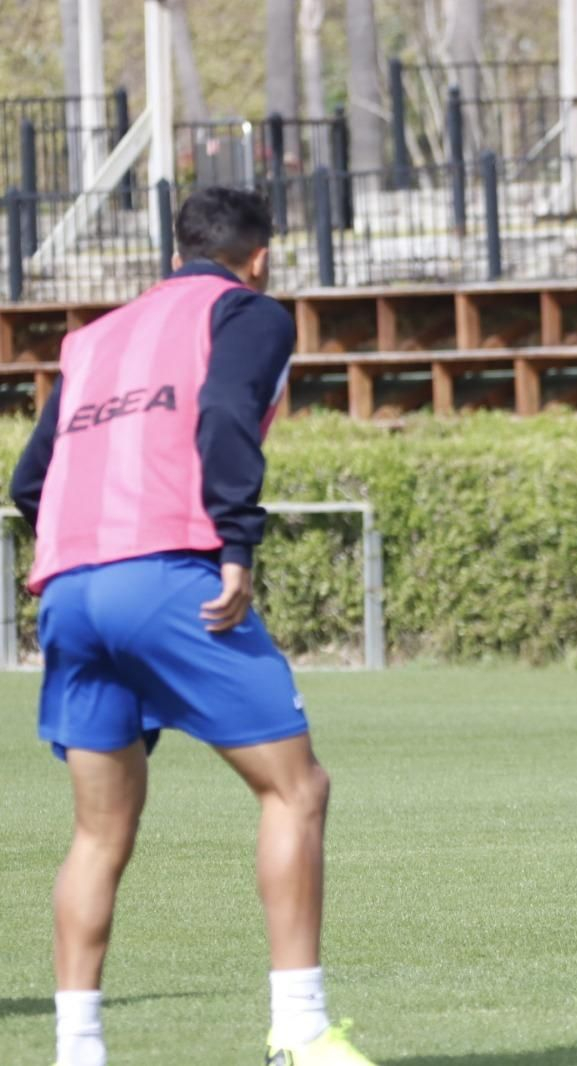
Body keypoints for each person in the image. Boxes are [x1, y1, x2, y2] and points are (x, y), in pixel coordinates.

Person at [7, 187, 374, 1066]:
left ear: (177, 250)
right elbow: (222, 413)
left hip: (69, 586)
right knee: (296, 790)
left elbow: (31, 477)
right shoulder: (247, 311)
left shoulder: (92, 339)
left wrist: (67, 552)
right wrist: (236, 543)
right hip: (168, 576)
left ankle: (79, 1049)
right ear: (260, 255)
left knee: (99, 832)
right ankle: (300, 1032)